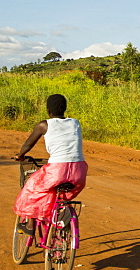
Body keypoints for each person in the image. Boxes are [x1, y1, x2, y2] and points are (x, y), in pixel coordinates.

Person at [13, 94, 87, 236]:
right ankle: (59, 218)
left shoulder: (44, 125)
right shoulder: (75, 123)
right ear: (65, 108)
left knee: (32, 188)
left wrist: (20, 155)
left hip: (57, 170)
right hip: (79, 170)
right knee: (61, 196)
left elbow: (28, 144)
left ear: (48, 110)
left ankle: (29, 224)